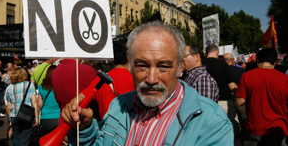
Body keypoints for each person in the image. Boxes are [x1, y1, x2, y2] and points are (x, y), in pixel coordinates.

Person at [61, 21, 233, 145]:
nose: (151, 79)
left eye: (163, 66)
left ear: (181, 67)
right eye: (141, 65)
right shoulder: (118, 106)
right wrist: (84, 129)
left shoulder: (212, 122)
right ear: (130, 64)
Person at [235, 48, 288, 145]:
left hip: (254, 128)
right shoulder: (285, 79)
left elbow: (239, 102)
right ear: (275, 63)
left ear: (257, 61)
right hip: (278, 128)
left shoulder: (247, 76)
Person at [81, 38, 135, 120]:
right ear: (130, 57)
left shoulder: (100, 80)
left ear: (112, 61)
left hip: (106, 129)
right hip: (131, 129)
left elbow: (79, 99)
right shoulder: (136, 80)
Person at [51, 58, 98, 124]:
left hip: (63, 121)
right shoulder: (88, 70)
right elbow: (101, 94)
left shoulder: (55, 72)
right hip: (82, 121)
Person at [5, 68, 39, 146]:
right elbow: (34, 102)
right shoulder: (30, 85)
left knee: (17, 140)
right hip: (27, 116)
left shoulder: (9, 88)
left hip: (14, 116)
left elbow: (9, 107)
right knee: (25, 140)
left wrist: (10, 120)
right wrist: (37, 118)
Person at [203, 45, 237, 119]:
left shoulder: (200, 64)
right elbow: (232, 86)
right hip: (222, 103)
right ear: (217, 52)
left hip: (203, 103)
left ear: (206, 53)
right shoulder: (223, 65)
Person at [37, 65, 60, 137]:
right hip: (59, 118)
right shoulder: (61, 85)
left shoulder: (41, 86)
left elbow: (40, 104)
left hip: (46, 118)